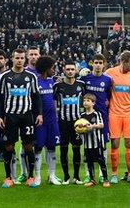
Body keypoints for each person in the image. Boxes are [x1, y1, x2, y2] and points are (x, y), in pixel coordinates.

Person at [0, 48, 43, 188]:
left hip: (27, 116)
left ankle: (31, 176)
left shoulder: (31, 77)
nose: (19, 60)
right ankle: (9, 177)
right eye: (17, 58)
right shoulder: (4, 76)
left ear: (25, 59)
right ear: (12, 59)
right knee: (9, 146)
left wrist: (39, 114)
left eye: (22, 58)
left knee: (28, 146)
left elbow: (36, 96)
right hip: (10, 116)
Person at [105, 50, 130, 184]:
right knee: (115, 143)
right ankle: (114, 174)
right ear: (123, 62)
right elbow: (102, 84)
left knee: (129, 143)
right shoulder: (110, 73)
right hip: (114, 113)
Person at [54, 60, 86, 184]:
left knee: (77, 149)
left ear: (76, 71)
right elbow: (53, 102)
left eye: (72, 69)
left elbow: (86, 101)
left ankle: (77, 177)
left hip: (77, 124)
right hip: (62, 123)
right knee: (63, 149)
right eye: (68, 69)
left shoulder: (81, 85)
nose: (70, 71)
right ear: (64, 70)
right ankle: (66, 177)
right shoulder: (58, 86)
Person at [34, 56, 63, 185]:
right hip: (39, 121)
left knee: (52, 148)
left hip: (52, 120)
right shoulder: (35, 82)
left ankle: (52, 175)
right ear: (46, 68)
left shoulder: (53, 82)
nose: (54, 70)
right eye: (52, 67)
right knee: (38, 148)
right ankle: (38, 176)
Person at [16, 45, 41, 183]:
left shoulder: (45, 73)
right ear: (27, 57)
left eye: (35, 54)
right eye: (31, 54)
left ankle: (36, 175)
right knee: (25, 145)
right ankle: (23, 173)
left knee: (38, 145)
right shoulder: (23, 73)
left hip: (39, 116)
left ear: (39, 55)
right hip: (26, 115)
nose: (33, 57)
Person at [80, 54, 112, 151]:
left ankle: (102, 165)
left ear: (104, 65)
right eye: (96, 63)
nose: (98, 65)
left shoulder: (108, 80)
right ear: (92, 64)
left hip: (102, 114)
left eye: (100, 63)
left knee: (103, 141)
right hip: (87, 114)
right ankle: (88, 164)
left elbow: (109, 95)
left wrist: (107, 101)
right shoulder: (85, 78)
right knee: (87, 141)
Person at [80, 93, 110, 188]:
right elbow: (79, 127)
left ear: (93, 103)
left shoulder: (97, 114)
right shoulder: (82, 115)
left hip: (97, 143)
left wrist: (92, 126)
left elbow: (101, 125)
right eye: (84, 100)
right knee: (89, 162)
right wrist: (80, 129)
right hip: (87, 143)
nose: (85, 102)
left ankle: (105, 179)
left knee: (101, 161)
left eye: (88, 101)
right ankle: (92, 180)